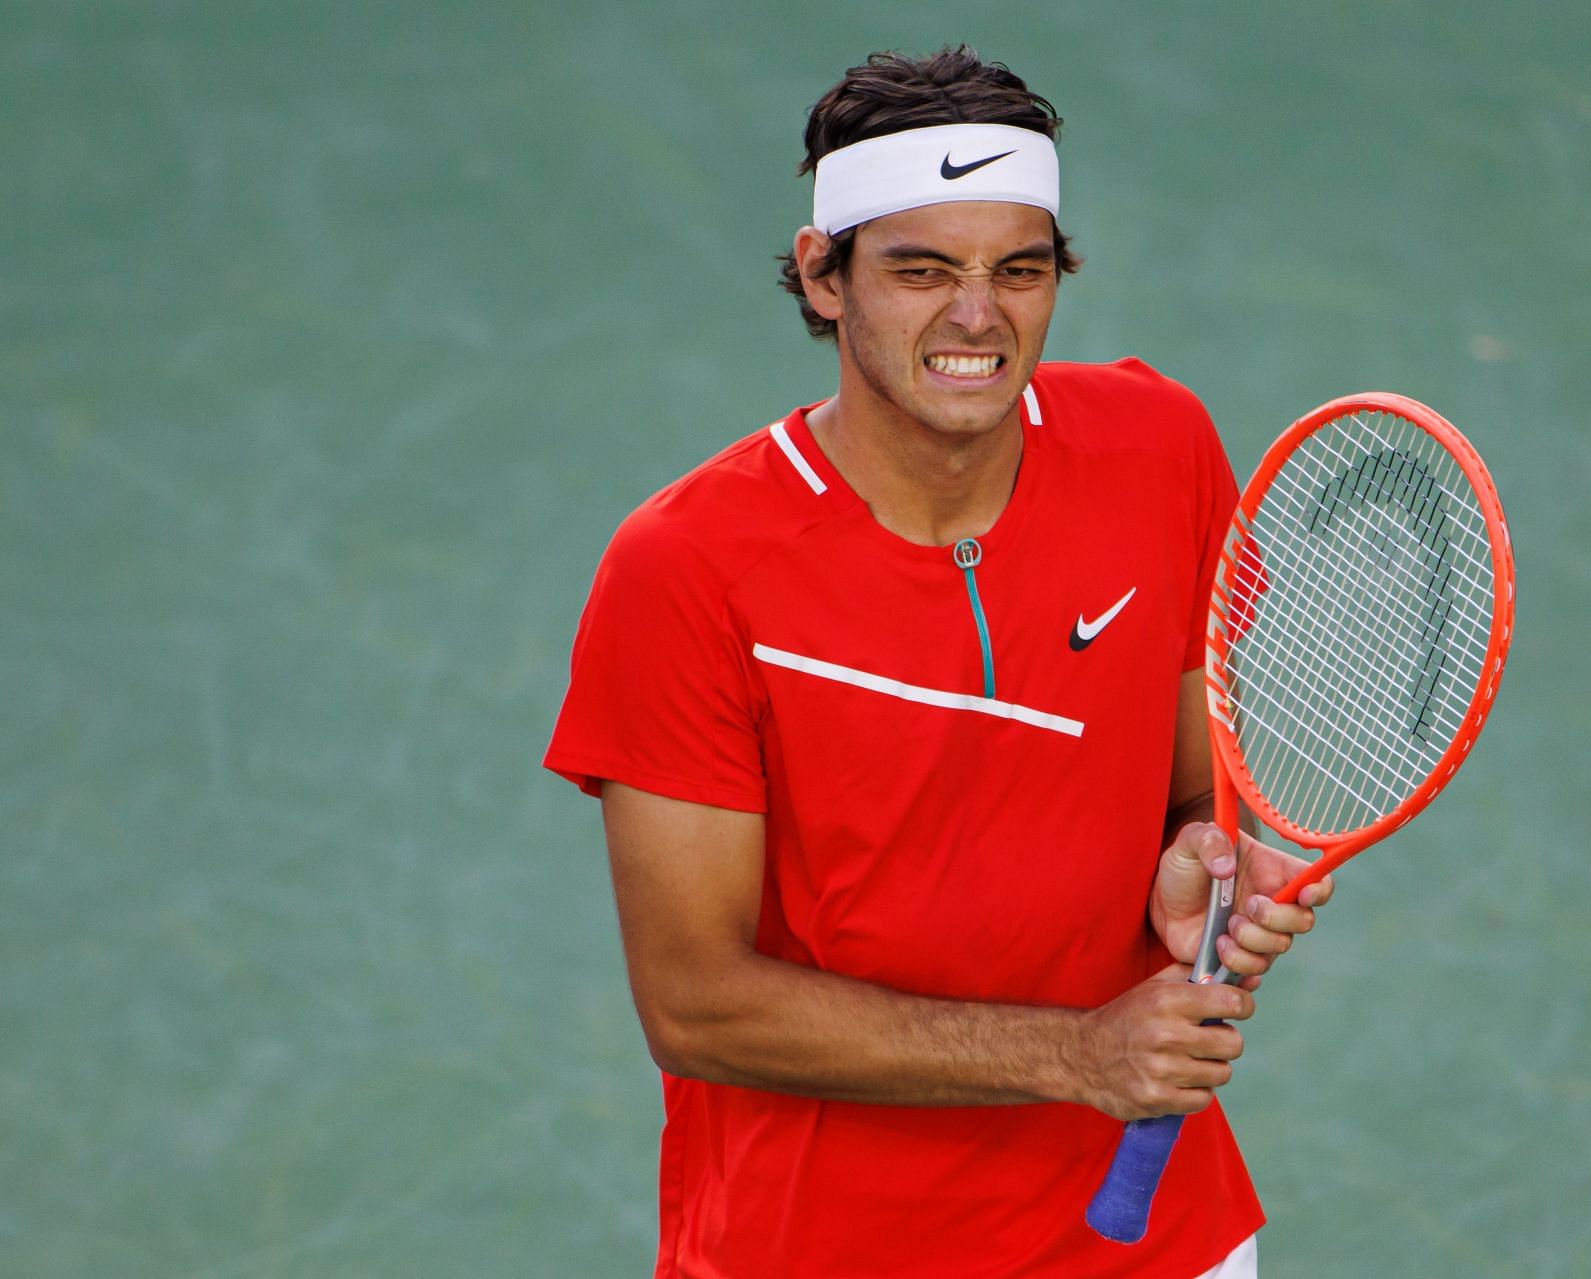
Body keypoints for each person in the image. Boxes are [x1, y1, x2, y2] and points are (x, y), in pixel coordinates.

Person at [545, 47, 1333, 1279]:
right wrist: (1078, 1056)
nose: (977, 315)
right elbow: (697, 1002)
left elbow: (1195, 786)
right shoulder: (687, 567)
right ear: (822, 276)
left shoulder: (1157, 444)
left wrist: (1198, 862)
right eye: (920, 270)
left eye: (1018, 269)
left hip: (1150, 1238)